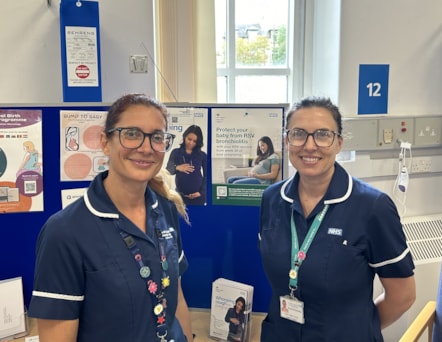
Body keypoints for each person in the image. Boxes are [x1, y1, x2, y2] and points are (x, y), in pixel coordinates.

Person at [28, 93, 194, 342]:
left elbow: (176, 297)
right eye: (131, 134)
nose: (146, 148)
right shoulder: (64, 232)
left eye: (157, 137)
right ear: (106, 142)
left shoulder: (166, 209)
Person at [258, 96, 416, 341]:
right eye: (299, 134)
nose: (309, 146)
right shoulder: (271, 200)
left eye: (323, 134)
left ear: (339, 143)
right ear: (287, 141)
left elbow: (403, 295)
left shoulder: (373, 207)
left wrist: (359, 329)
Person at [166, 125, 207, 205]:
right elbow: (168, 170)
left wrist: (201, 193)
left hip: (198, 198)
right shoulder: (175, 152)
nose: (191, 143)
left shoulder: (202, 155)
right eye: (189, 139)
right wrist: (177, 167)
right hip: (180, 198)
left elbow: (207, 176)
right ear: (185, 137)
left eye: (194, 141)